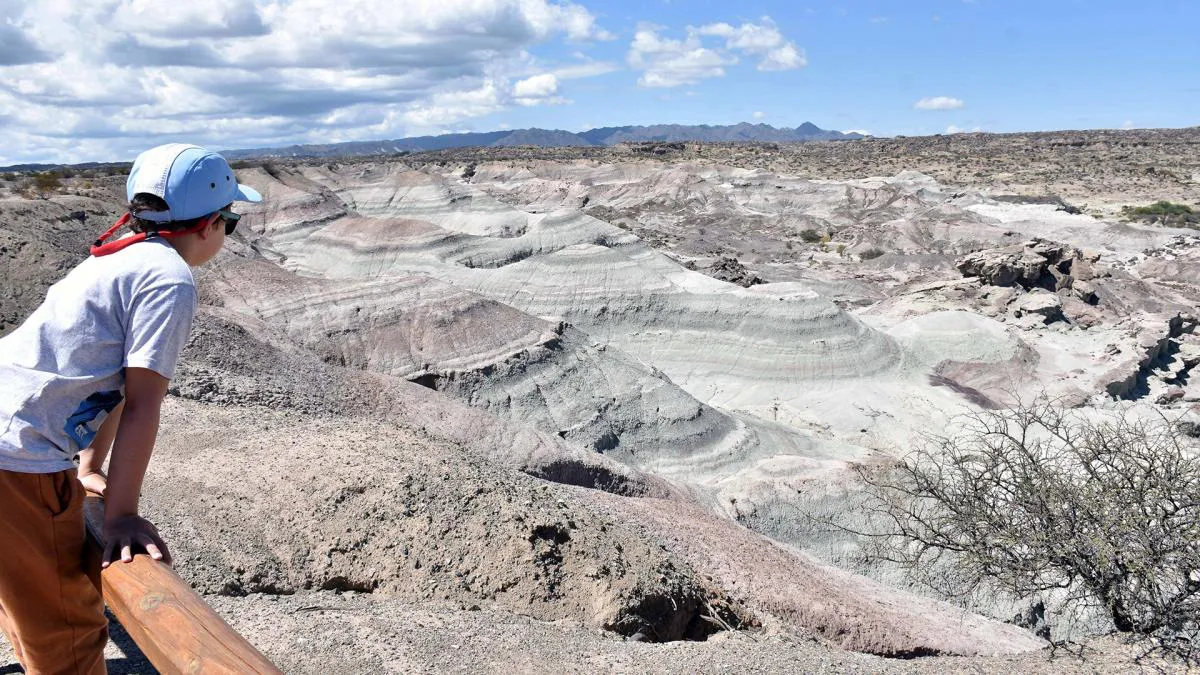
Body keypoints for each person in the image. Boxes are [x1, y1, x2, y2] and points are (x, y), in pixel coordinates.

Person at [0, 144, 261, 674]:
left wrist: (90, 469)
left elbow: (109, 385)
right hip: (17, 458)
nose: (227, 233)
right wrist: (120, 516)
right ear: (209, 225)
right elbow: (144, 404)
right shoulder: (168, 278)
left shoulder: (118, 253)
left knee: (21, 598)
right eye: (230, 222)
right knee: (67, 632)